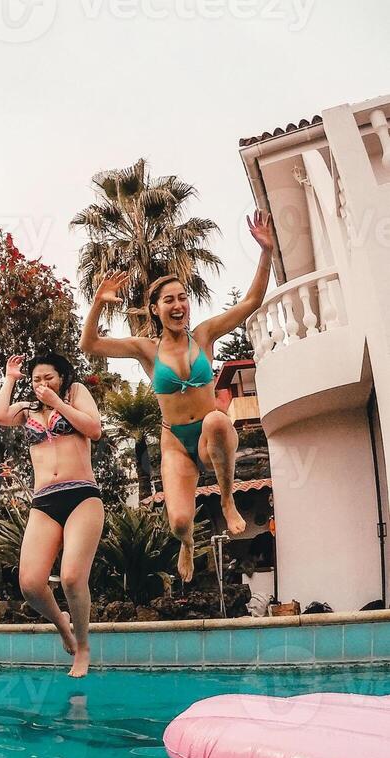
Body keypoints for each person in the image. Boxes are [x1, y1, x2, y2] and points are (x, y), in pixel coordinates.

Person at [81, 209, 274, 581]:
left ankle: (227, 498)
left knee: (218, 419)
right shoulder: (146, 350)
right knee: (179, 521)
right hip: (174, 443)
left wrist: (264, 251)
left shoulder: (204, 336)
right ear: (156, 309)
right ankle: (187, 545)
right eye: (169, 300)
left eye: (183, 298)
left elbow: (251, 301)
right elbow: (90, 344)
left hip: (208, 435)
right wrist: (99, 302)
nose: (179, 305)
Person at [0, 351, 104, 677]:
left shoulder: (75, 393)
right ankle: (62, 625)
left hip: (82, 495)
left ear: (62, 377)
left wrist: (57, 401)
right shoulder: (27, 411)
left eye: (48, 377)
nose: (41, 384)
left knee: (71, 577)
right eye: (36, 379)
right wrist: (11, 379)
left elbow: (94, 429)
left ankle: (82, 647)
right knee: (29, 584)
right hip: (44, 501)